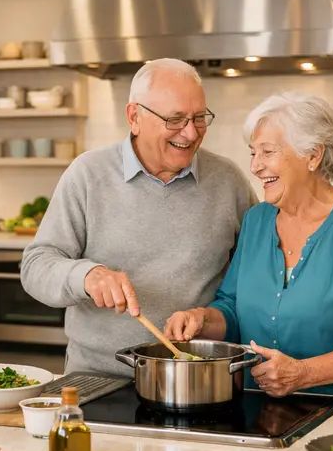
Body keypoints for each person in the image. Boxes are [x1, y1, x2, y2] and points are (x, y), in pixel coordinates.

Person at [165, 91, 333, 399]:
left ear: (313, 155)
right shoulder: (257, 221)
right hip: (265, 412)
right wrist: (202, 319)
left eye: (267, 152)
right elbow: (232, 309)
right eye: (253, 153)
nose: (255, 167)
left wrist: (303, 374)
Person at [20, 59, 258, 374]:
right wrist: (88, 277)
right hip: (98, 374)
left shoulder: (228, 180)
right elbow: (36, 266)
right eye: (175, 119)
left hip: (194, 378)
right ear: (135, 117)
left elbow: (258, 272)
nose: (190, 133)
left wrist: (211, 317)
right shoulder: (88, 174)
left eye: (199, 118)